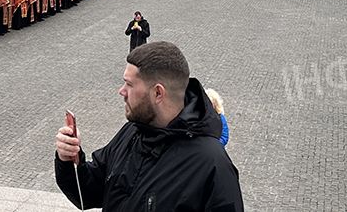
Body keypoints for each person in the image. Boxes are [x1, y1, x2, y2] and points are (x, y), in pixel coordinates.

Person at [53, 41, 243, 210]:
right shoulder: (132, 133)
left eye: (129, 84)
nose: (121, 91)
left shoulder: (213, 166)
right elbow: (87, 193)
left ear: (158, 93)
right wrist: (68, 159)